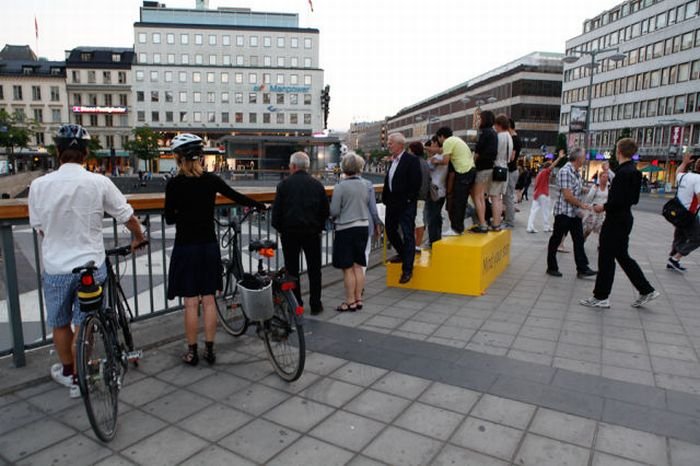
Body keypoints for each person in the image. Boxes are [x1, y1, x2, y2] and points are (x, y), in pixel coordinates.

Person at [28, 124, 147, 398]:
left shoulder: (38, 186)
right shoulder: (98, 182)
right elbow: (127, 216)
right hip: (90, 266)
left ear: (57, 152)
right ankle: (85, 371)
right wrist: (138, 237)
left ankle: (70, 375)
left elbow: (40, 227)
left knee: (60, 323)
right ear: (86, 153)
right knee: (86, 321)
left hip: (56, 267)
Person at [165, 134, 264, 365]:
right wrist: (259, 205)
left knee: (190, 303)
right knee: (209, 300)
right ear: (200, 157)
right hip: (208, 246)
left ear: (178, 158)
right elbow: (236, 196)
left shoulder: (174, 184)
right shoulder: (211, 181)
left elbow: (169, 218)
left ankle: (192, 352)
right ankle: (210, 350)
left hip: (186, 247)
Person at [580, 138, 660, 309]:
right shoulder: (634, 172)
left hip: (615, 219)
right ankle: (646, 290)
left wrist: (603, 207)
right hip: (625, 218)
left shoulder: (623, 173)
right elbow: (633, 199)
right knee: (622, 256)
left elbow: (617, 200)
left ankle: (601, 296)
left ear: (620, 151)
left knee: (606, 257)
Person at [272, 152, 330, 314]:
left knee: (292, 270)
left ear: (294, 166)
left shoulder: (283, 185)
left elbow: (276, 214)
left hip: (290, 233)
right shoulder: (317, 185)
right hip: (312, 232)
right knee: (314, 269)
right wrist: (318, 227)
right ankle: (316, 304)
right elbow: (325, 211)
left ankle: (296, 304)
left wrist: (281, 229)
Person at [545, 148, 597, 278]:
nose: (585, 159)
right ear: (578, 159)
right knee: (556, 239)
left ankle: (582, 268)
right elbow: (567, 196)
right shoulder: (566, 171)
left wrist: (584, 190)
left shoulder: (575, 173)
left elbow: (574, 189)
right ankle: (551, 267)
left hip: (574, 213)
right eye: (584, 157)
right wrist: (581, 204)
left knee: (579, 240)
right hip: (564, 212)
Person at [331, 153, 371, 311]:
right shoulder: (366, 185)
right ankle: (359, 299)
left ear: (344, 168)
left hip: (346, 228)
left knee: (347, 267)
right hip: (363, 226)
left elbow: (334, 210)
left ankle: (349, 301)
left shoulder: (340, 186)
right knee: (358, 265)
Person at [382, 132, 422, 284]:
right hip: (392, 203)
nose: (388, 145)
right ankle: (403, 253)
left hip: (405, 204)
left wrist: (408, 200)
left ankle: (407, 270)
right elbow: (389, 181)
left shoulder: (411, 160)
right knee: (390, 230)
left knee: (407, 234)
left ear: (399, 144)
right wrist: (386, 199)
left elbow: (415, 182)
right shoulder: (393, 161)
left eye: (391, 143)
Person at [434, 126, 476, 236]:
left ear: (441, 136)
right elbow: (441, 151)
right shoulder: (456, 140)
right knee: (461, 201)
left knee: (458, 201)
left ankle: (456, 229)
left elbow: (445, 161)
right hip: (470, 169)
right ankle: (458, 228)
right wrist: (427, 149)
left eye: (438, 139)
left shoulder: (447, 142)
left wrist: (434, 161)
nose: (439, 141)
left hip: (463, 172)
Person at [667, 152, 700, 272]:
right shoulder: (699, 179)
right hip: (689, 215)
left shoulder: (685, 176)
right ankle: (675, 259)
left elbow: (677, 173)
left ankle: (672, 259)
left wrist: (684, 163)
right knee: (697, 238)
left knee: (680, 236)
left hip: (678, 212)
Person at [470, 111, 499, 233]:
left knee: (477, 196)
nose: (478, 121)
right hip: (490, 167)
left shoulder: (484, 133)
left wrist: (472, 163)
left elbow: (477, 152)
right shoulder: (493, 133)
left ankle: (482, 223)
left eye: (479, 119)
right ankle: (484, 222)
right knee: (481, 196)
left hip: (481, 167)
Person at [527, 151, 565, 233]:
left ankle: (530, 227)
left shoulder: (540, 173)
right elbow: (552, 166)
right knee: (546, 211)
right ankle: (546, 226)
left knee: (533, 211)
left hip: (536, 194)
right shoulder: (545, 172)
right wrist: (559, 157)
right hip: (543, 194)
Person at [489, 114, 513, 231]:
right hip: (505, 168)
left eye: (495, 125)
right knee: (499, 198)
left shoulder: (500, 137)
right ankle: (497, 222)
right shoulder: (509, 136)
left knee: (494, 197)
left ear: (499, 125)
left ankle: (495, 222)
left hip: (497, 167)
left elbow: (494, 152)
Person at [425, 136, 448, 246]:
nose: (430, 146)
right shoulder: (445, 157)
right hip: (442, 191)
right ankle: (437, 240)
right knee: (437, 216)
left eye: (432, 144)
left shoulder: (437, 158)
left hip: (434, 191)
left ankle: (433, 241)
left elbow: (426, 168)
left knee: (432, 217)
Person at [408, 141, 429, 252]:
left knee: (418, 220)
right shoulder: (424, 162)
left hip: (417, 196)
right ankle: (416, 244)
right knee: (418, 219)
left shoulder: (415, 162)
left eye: (409, 150)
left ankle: (416, 245)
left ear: (413, 151)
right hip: (423, 195)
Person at [582, 170, 609, 241]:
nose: (605, 179)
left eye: (606, 177)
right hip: (594, 210)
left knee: (602, 230)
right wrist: (594, 190)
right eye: (603, 177)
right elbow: (589, 198)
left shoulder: (608, 187)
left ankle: (600, 247)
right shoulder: (595, 186)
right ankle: (583, 239)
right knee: (588, 229)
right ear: (600, 178)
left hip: (603, 211)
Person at [504, 118, 521, 227]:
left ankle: (509, 222)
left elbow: (511, 157)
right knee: (507, 196)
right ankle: (508, 220)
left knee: (508, 196)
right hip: (512, 170)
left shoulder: (514, 139)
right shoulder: (515, 138)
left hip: (510, 170)